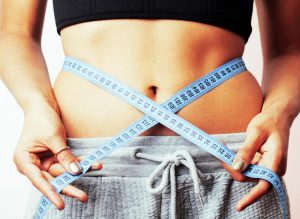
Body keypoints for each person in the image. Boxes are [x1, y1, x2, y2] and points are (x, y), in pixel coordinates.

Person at [0, 0, 299, 218]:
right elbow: (13, 34)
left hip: (235, 172)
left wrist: (279, 114)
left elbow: (291, 49)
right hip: (81, 173)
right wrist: (36, 107)